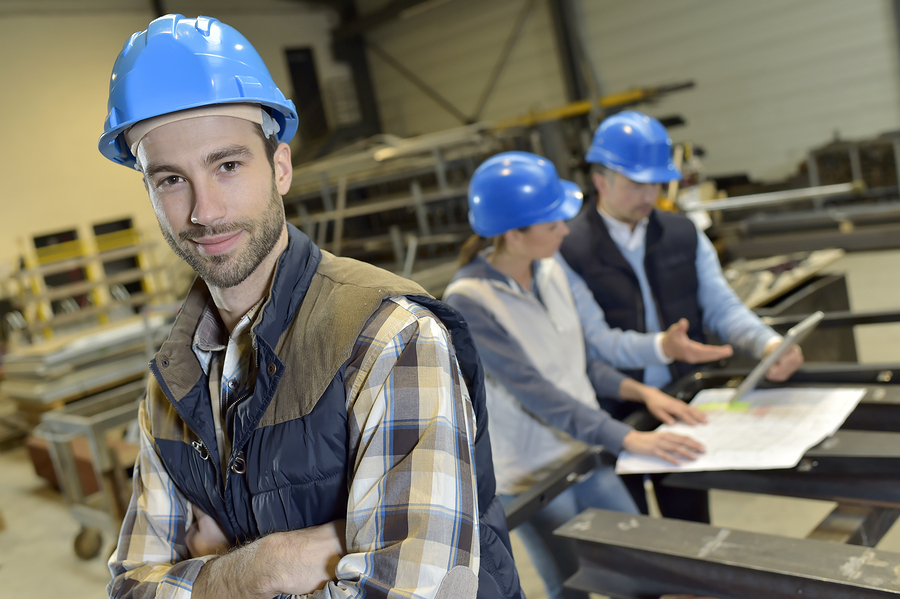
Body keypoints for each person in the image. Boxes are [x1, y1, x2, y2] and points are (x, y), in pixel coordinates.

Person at [98, 14, 523, 599]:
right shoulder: (171, 386)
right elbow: (129, 590)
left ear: (280, 167)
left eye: (227, 165)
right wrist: (264, 567)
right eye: (171, 179)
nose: (204, 210)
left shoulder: (388, 338)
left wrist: (206, 576)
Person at [442, 151, 704, 599]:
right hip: (532, 476)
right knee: (570, 589)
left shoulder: (551, 271)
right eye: (552, 225)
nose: (566, 230)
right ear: (514, 235)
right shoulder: (470, 300)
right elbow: (538, 392)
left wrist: (642, 392)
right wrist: (628, 438)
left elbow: (578, 363)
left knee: (641, 571)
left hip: (583, 455)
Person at [558, 110, 804, 520]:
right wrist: (662, 347)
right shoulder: (568, 249)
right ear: (601, 180)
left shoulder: (683, 233)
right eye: (637, 183)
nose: (649, 195)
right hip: (615, 414)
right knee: (629, 539)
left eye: (656, 183)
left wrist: (768, 343)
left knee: (690, 531)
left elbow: (721, 305)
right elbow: (593, 341)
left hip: (683, 402)